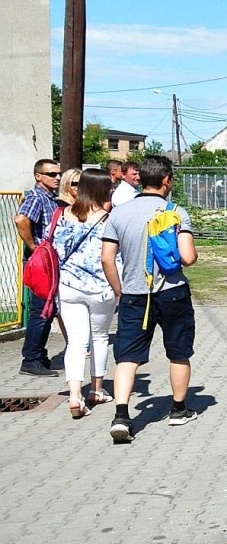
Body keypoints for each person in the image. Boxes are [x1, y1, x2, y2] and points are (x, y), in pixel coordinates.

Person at [101, 154, 199, 442]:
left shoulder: (119, 213)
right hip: (172, 292)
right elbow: (188, 257)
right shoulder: (175, 212)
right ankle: (178, 410)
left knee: (127, 357)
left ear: (140, 178)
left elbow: (107, 258)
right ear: (166, 180)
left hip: (133, 293)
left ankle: (121, 415)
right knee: (178, 351)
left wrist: (120, 290)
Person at [53, 169, 115, 417]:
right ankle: (97, 390)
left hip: (68, 286)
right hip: (101, 287)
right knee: (99, 338)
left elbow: (56, 249)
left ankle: (75, 395)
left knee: (76, 342)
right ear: (102, 189)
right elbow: (112, 255)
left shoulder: (64, 214)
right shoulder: (107, 217)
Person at [15, 158, 62, 376]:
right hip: (41, 262)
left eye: (58, 174)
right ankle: (31, 359)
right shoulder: (36, 197)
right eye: (51, 174)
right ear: (38, 176)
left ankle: (39, 355)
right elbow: (21, 220)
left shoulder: (49, 198)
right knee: (41, 311)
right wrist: (34, 247)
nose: (57, 178)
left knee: (48, 310)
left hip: (48, 261)